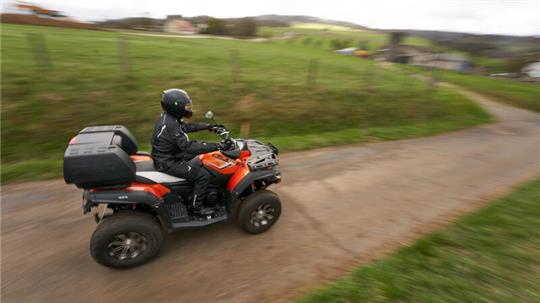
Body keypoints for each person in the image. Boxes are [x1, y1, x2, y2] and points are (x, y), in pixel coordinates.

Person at [151, 88, 223, 216]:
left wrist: (208, 126)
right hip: (168, 161)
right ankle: (196, 208)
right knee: (203, 175)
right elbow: (188, 146)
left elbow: (186, 127)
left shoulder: (170, 118)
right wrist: (217, 146)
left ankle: (192, 190)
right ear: (176, 106)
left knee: (200, 157)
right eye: (185, 105)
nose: (188, 108)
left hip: (169, 154)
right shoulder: (171, 125)